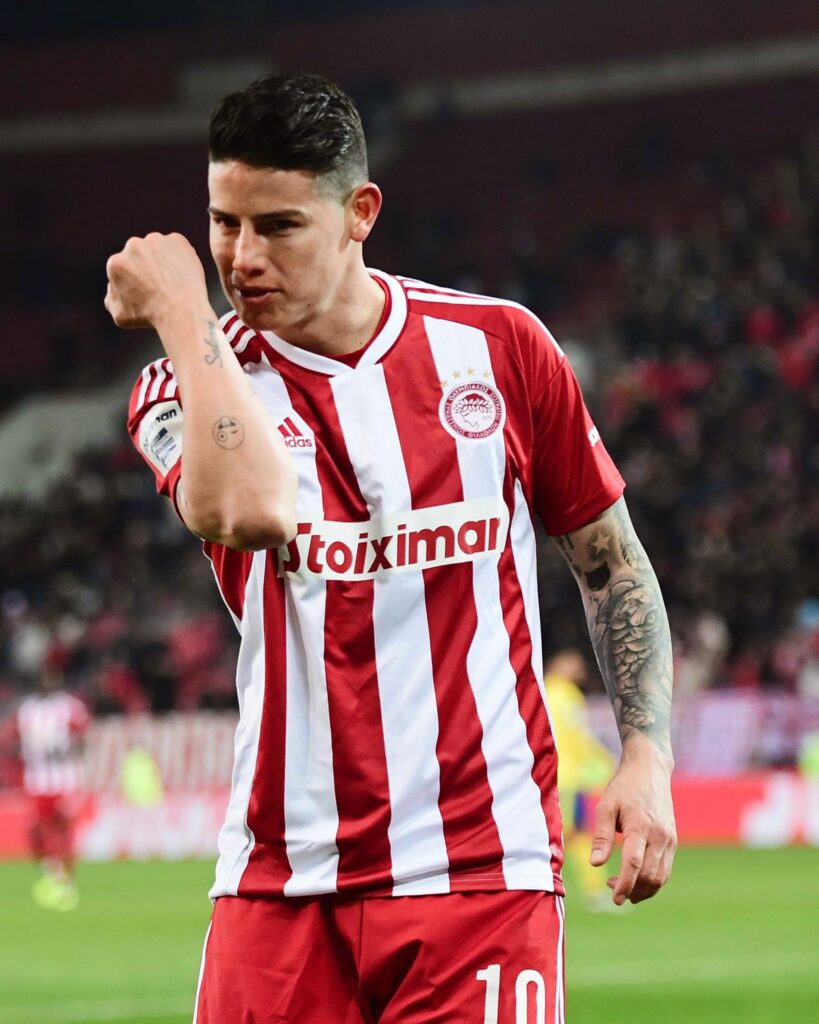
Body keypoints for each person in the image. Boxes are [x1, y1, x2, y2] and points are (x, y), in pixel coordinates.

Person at [106, 73, 676, 1024]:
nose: (243, 258)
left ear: (359, 213)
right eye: (223, 225)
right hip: (278, 883)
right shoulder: (184, 386)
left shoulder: (499, 350)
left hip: (482, 872)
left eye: (279, 226)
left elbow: (611, 563)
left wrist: (646, 755)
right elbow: (245, 510)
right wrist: (185, 317)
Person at [543, 648, 617, 911]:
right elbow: (578, 737)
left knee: (567, 834)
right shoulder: (564, 694)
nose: (578, 670)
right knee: (574, 834)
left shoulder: (541, 689)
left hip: (550, 776)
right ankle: (593, 889)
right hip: (566, 777)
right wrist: (606, 761)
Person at [16, 652, 90, 911]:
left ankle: (66, 883)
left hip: (64, 780)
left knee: (62, 830)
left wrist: (71, 754)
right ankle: (53, 873)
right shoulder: (27, 710)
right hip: (37, 781)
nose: (47, 683)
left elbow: (82, 740)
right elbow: (19, 741)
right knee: (36, 832)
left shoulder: (70, 707)